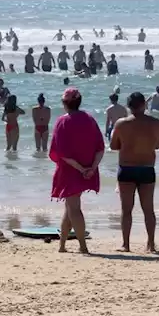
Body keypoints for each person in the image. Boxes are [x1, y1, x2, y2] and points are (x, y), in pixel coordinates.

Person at [49, 88, 104, 254]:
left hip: (71, 171)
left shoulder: (62, 122)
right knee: (69, 207)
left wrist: (81, 169)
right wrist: (92, 168)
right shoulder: (90, 119)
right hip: (88, 169)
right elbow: (100, 148)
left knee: (73, 208)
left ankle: (83, 246)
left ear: (65, 104)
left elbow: (61, 153)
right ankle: (62, 245)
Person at [110, 92, 159, 252]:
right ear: (144, 105)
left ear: (129, 106)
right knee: (148, 209)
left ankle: (126, 244)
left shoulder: (121, 124)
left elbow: (113, 146)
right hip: (147, 168)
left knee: (126, 210)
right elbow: (157, 145)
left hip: (126, 168)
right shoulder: (155, 123)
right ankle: (151, 244)